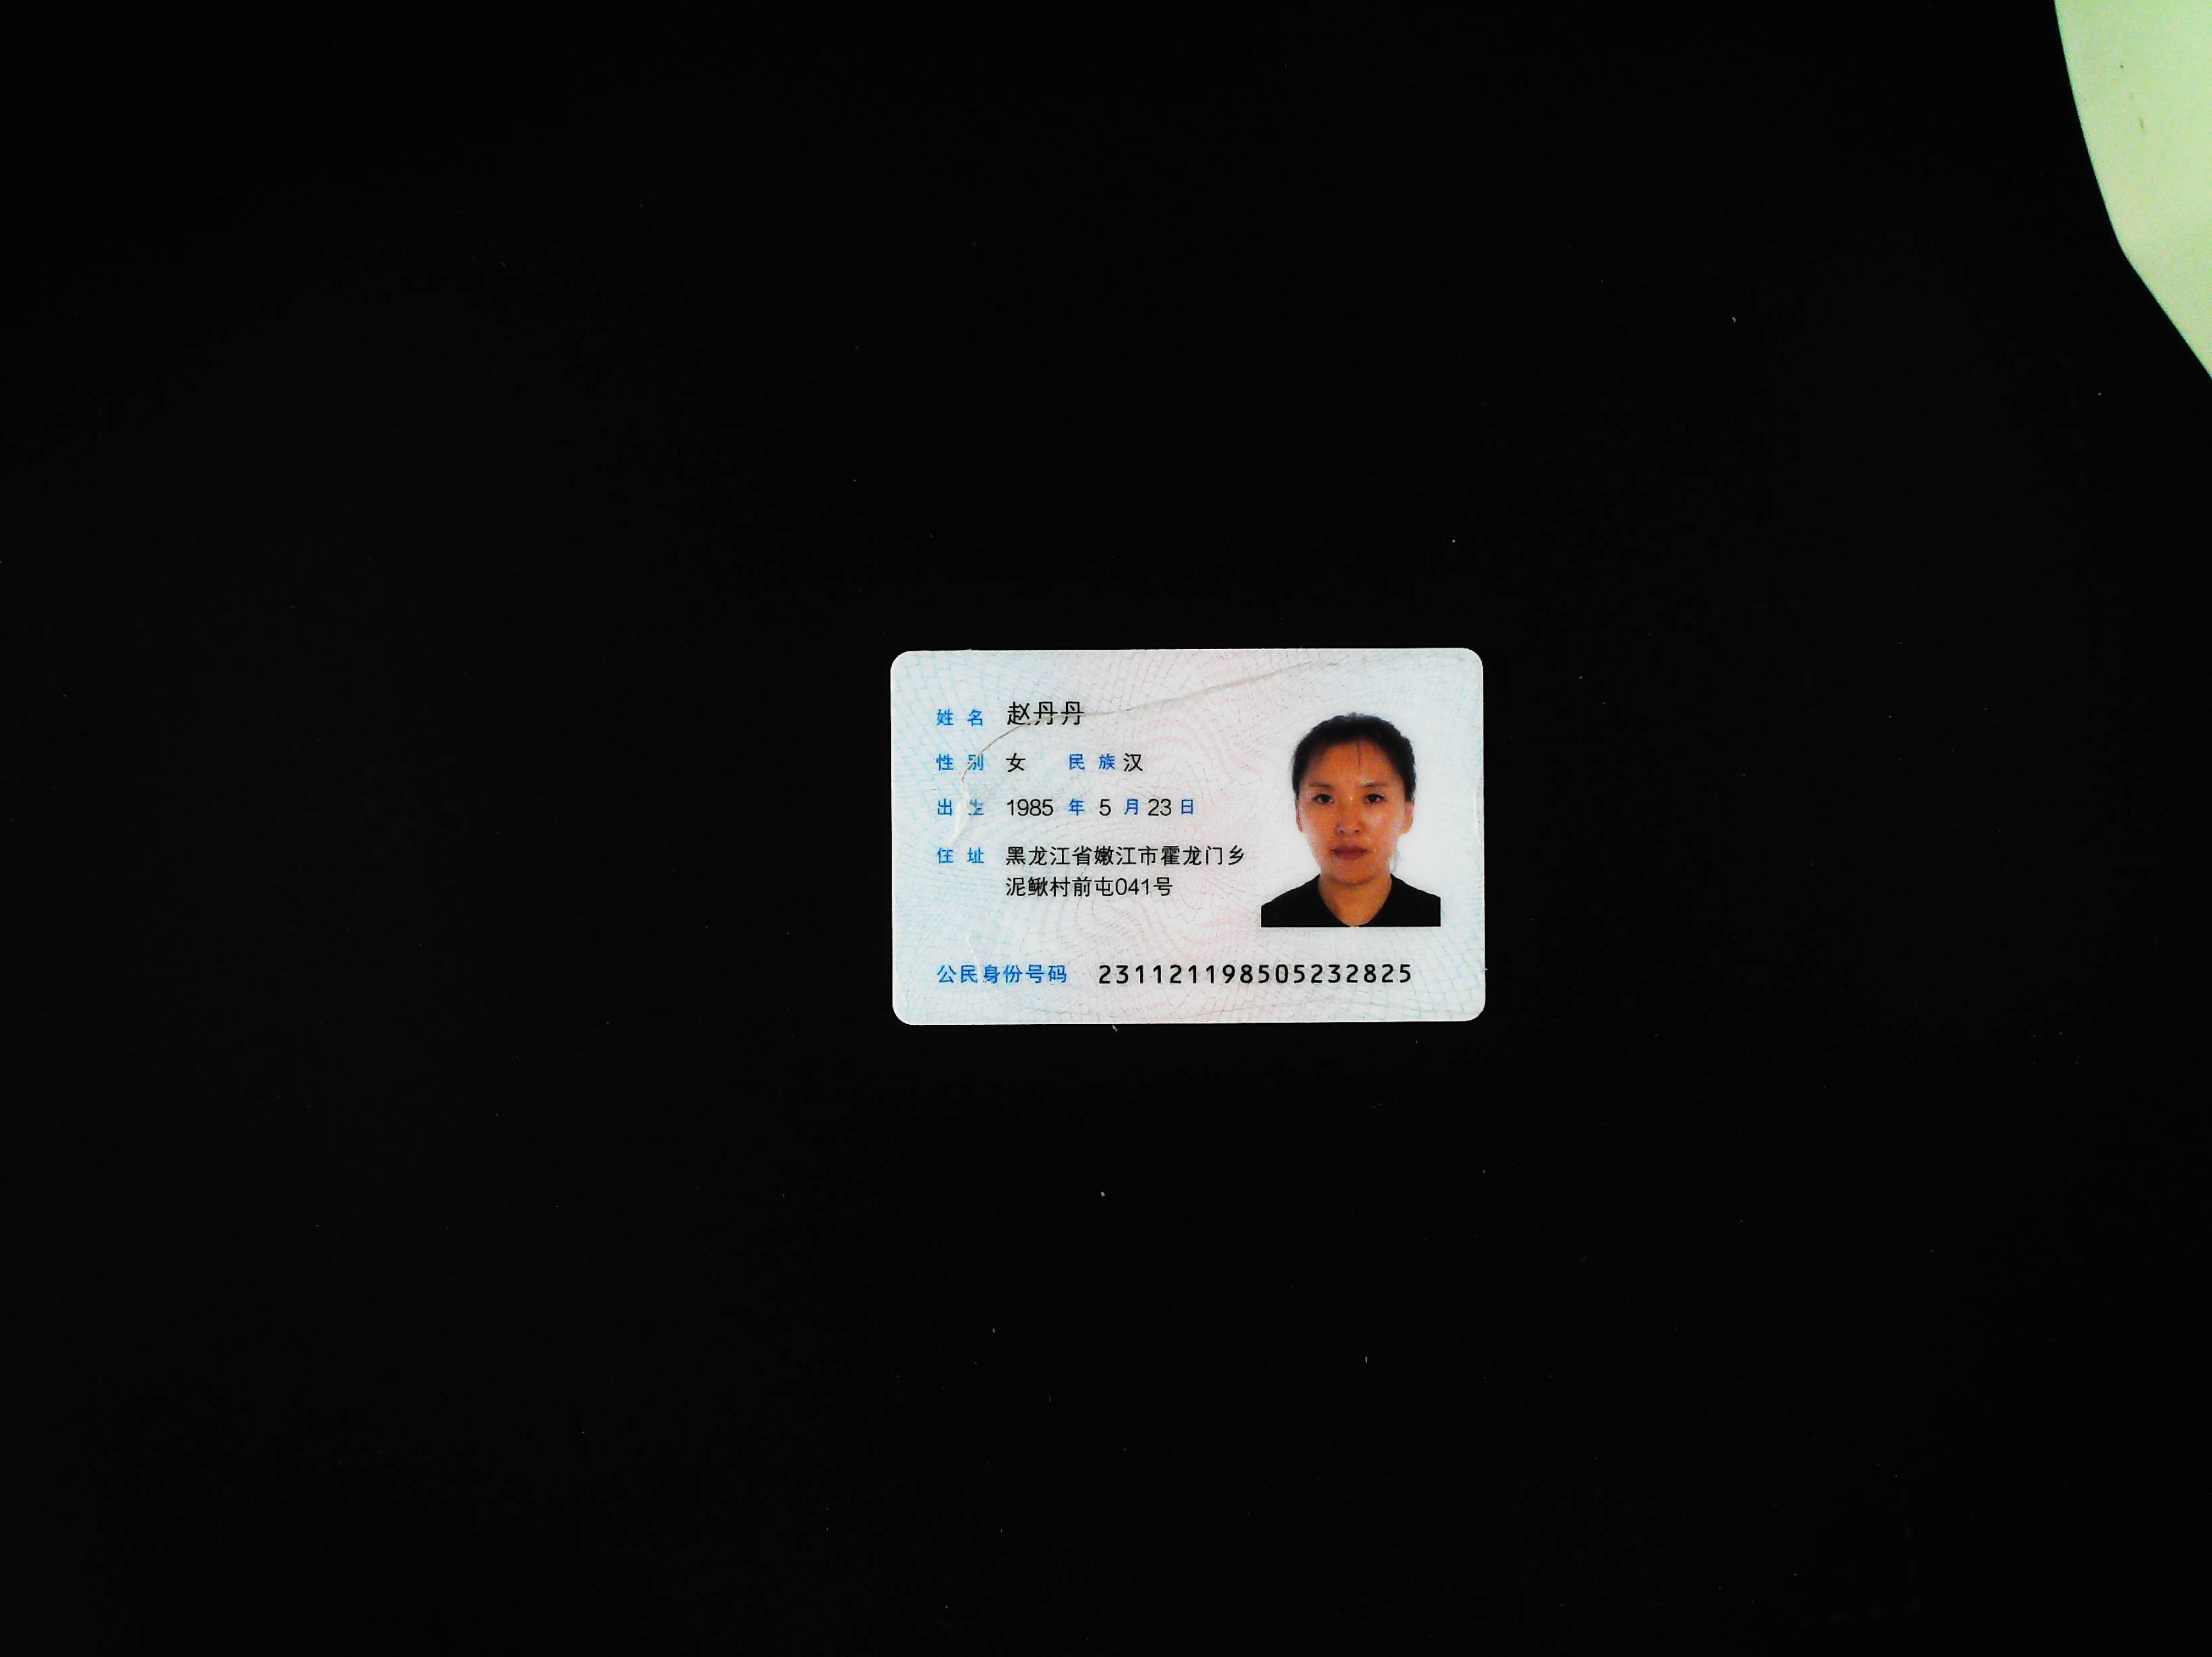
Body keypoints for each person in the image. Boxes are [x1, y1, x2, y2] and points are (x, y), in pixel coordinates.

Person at [1261, 713, 1442, 927]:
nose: (1348, 826)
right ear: (1298, 814)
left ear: (1408, 813)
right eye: (1324, 798)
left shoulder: (1443, 920)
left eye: (1373, 798)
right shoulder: (1268, 922)